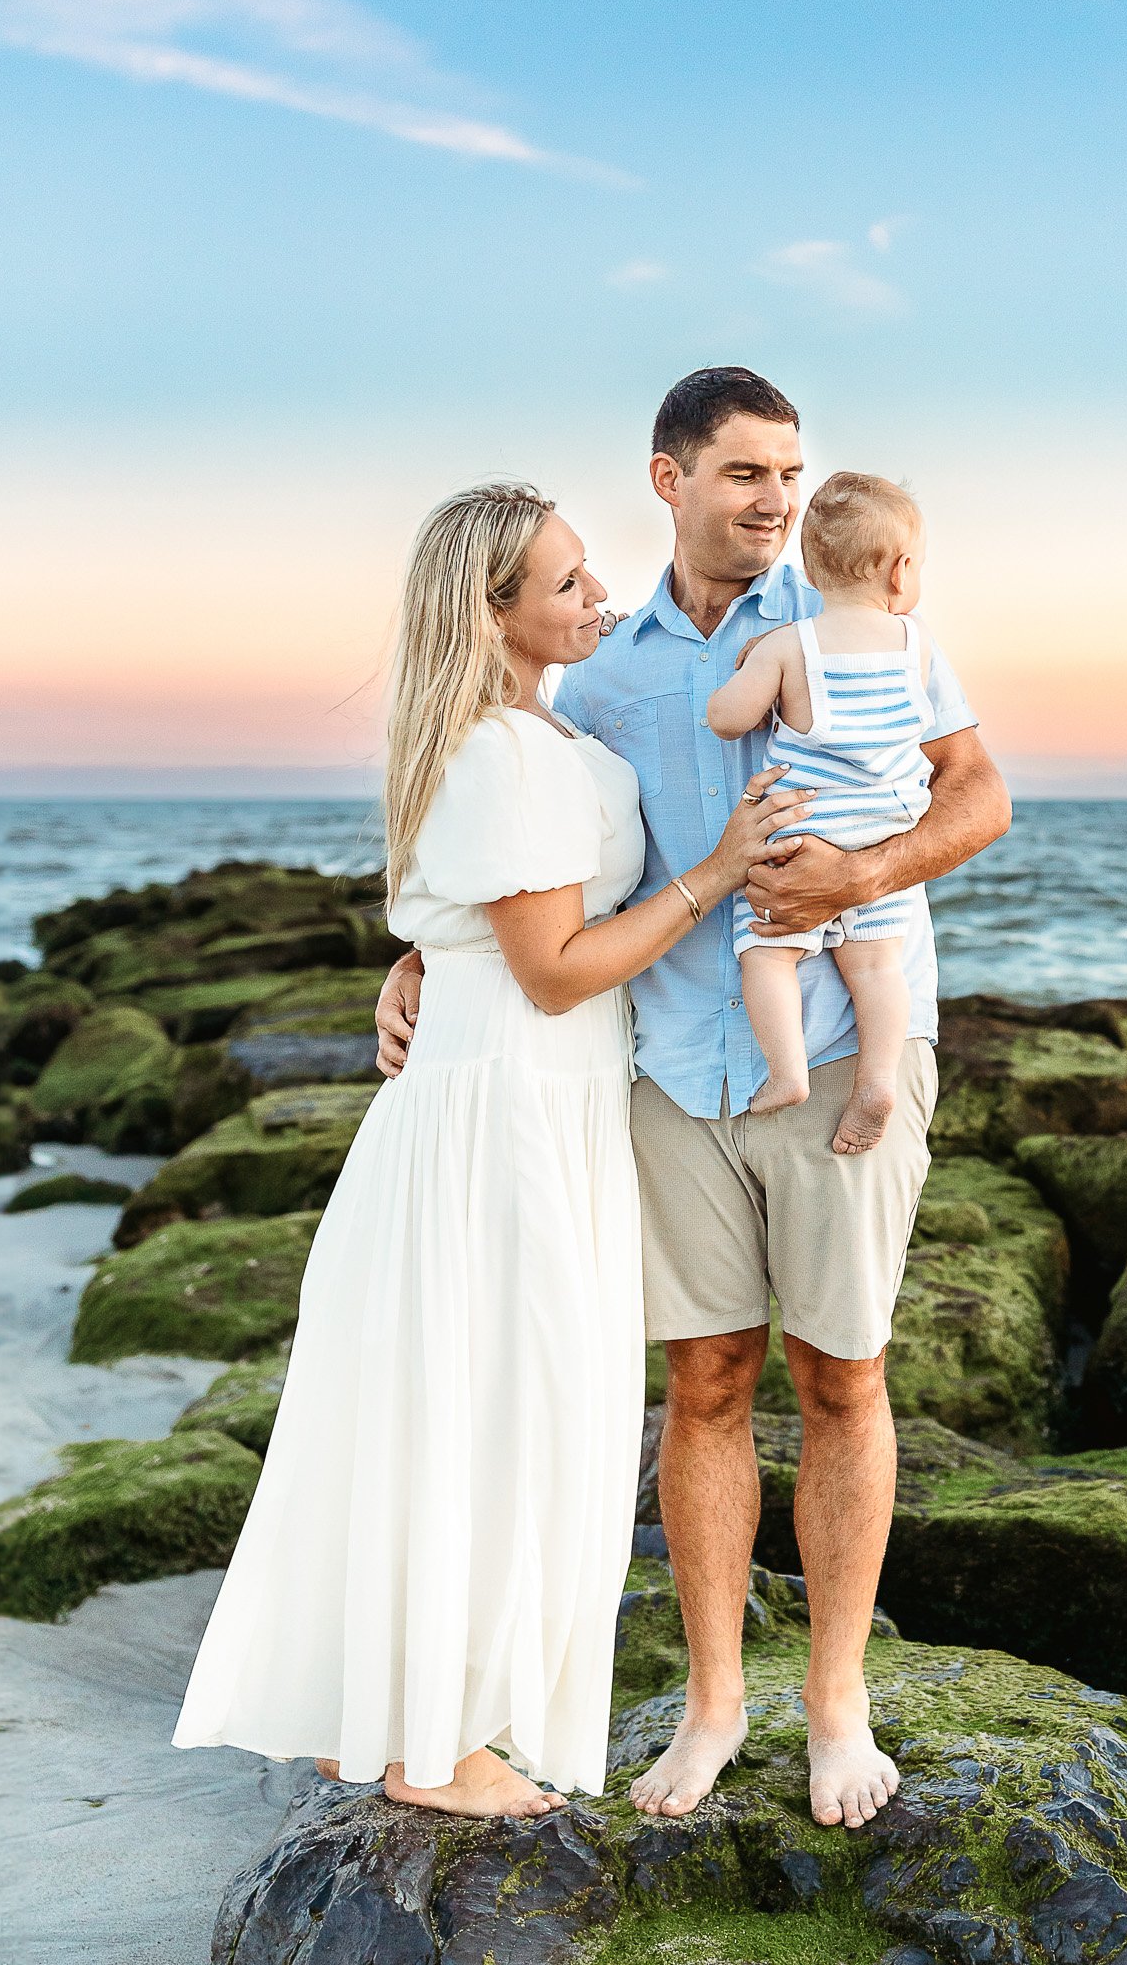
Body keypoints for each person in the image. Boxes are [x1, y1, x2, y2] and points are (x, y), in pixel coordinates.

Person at [376, 369, 1010, 1831]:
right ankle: (715, 1708)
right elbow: (536, 842)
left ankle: (836, 1708)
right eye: (743, 472)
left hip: (839, 1059)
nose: (776, 497)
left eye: (790, 470)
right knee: (704, 1384)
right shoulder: (595, 674)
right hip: (665, 1073)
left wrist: (862, 874)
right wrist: (422, 956)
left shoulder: (866, 625)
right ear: (669, 481)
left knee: (842, 1376)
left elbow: (975, 796)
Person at [172, 480, 804, 1817]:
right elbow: (558, 971)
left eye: (590, 575)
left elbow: (477, 920)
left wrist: (413, 958)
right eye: (568, 584)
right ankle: (433, 1747)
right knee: (492, 1412)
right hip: (504, 1118)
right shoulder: (502, 751)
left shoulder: (532, 735)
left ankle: (433, 1723)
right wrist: (718, 872)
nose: (601, 597)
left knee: (511, 1408)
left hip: (537, 1105)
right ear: (494, 610)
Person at [706, 470, 937, 1157]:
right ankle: (876, 1079)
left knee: (766, 955)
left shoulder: (791, 644)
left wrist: (749, 670)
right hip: (881, 839)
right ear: (899, 572)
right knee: (875, 970)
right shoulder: (913, 645)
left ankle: (787, 1074)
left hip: (804, 832)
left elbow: (726, 720)